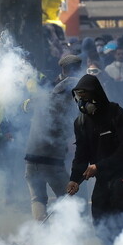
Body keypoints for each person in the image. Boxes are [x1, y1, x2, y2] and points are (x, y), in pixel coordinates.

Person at [66, 74, 123, 245]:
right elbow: (81, 153)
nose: (82, 102)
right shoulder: (80, 122)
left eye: (85, 97)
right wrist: (74, 178)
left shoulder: (115, 113)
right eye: (79, 97)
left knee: (117, 201)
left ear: (96, 96)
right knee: (99, 206)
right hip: (103, 170)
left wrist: (99, 166)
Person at [23, 55, 86, 221]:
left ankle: (42, 235)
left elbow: (28, 107)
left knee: (38, 199)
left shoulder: (46, 92)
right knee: (71, 199)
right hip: (51, 158)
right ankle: (70, 235)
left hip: (31, 156)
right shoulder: (73, 93)